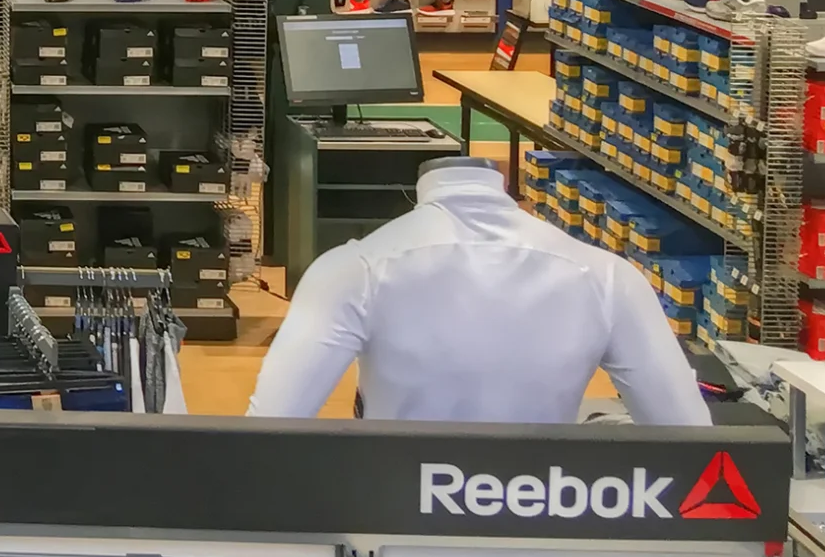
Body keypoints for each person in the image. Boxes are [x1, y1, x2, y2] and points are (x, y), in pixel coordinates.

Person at [248, 158, 710, 426]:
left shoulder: (352, 269)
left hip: (393, 523)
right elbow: (688, 436)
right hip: (546, 513)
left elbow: (270, 427)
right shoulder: (609, 277)